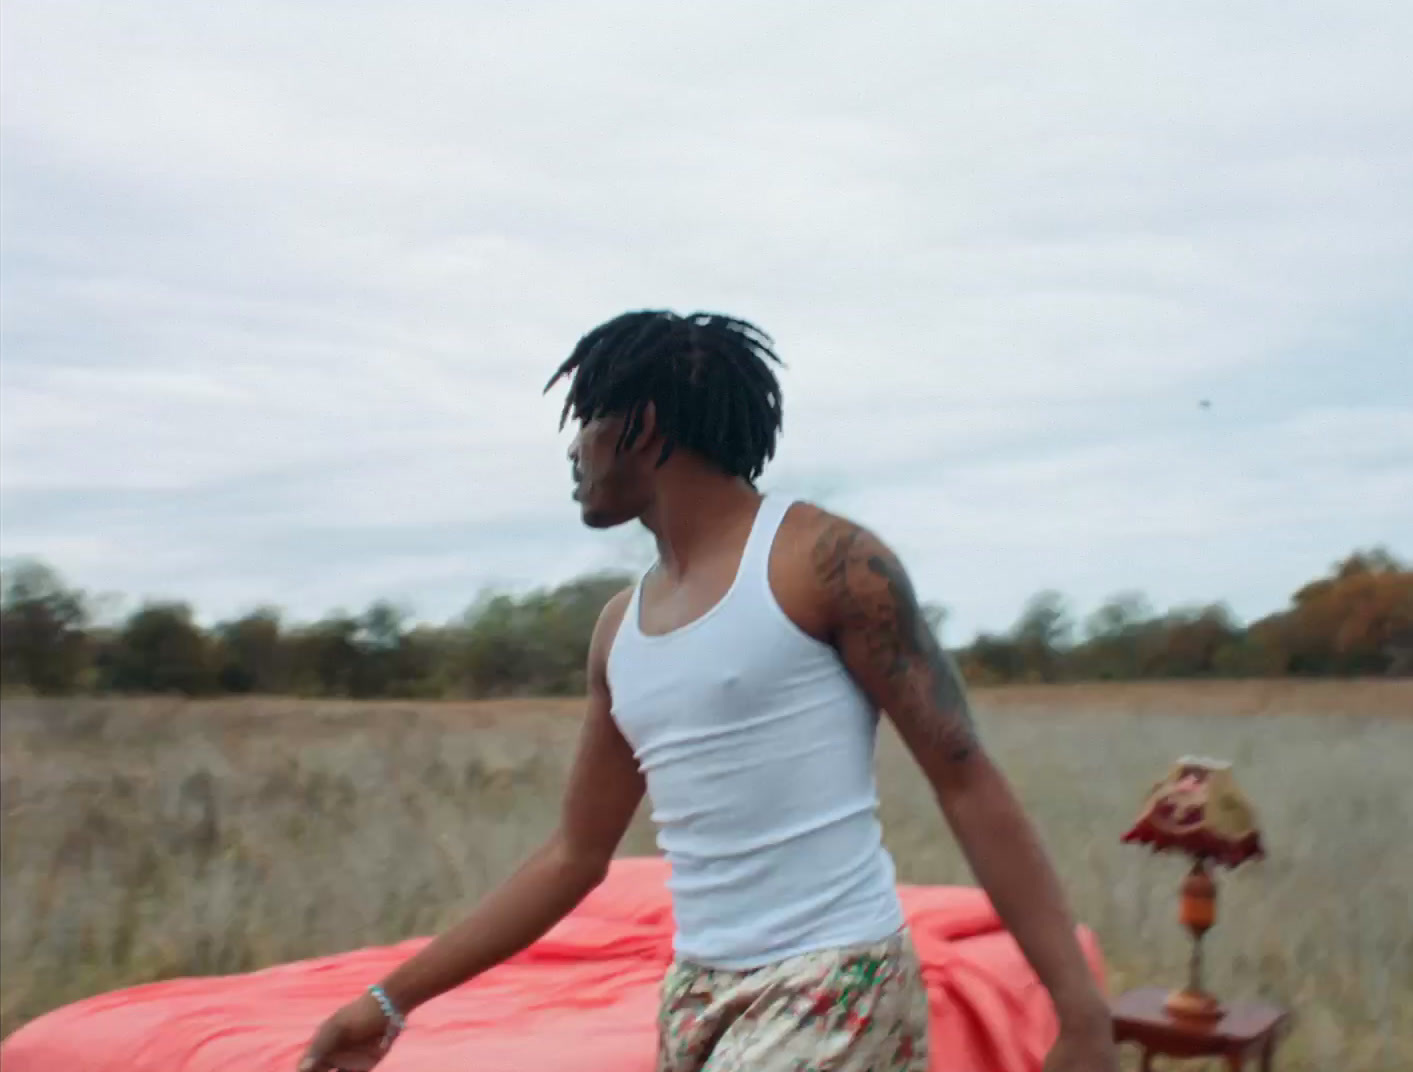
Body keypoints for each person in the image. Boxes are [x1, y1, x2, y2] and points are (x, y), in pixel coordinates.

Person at [299, 311, 1119, 1072]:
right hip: (694, 995)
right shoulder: (619, 632)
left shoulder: (825, 563)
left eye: (588, 423)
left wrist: (1080, 1011)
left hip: (837, 983)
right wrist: (389, 1000)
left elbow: (965, 778)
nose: (576, 453)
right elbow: (573, 858)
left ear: (642, 427)